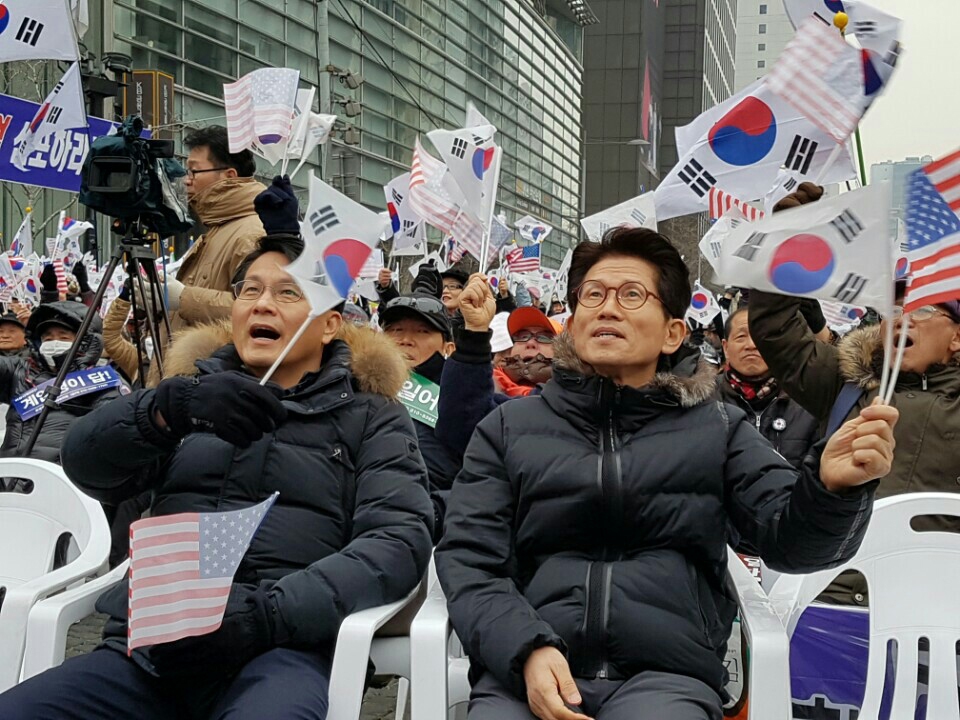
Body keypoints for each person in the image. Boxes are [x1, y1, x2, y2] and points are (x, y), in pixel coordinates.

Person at [435, 227, 898, 720]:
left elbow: (792, 543)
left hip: (667, 678)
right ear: (572, 320)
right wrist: (525, 648)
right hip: (526, 670)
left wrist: (832, 490)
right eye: (593, 294)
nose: (608, 308)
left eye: (632, 294)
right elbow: (469, 558)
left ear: (673, 332)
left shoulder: (719, 428)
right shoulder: (507, 428)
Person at [0, 234, 433, 719]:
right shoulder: (188, 396)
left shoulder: (373, 417)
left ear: (330, 324)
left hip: (281, 652)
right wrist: (165, 412)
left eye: (288, 293)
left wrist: (263, 618)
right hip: (147, 653)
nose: (262, 304)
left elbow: (398, 542)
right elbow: (87, 466)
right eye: (250, 290)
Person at [749, 182, 960, 605]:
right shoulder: (845, 380)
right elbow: (775, 328)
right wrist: (788, 240)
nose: (903, 320)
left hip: (937, 615)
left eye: (920, 310)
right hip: (836, 599)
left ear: (956, 337)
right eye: (893, 309)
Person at [160, 125, 266, 333]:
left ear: (228, 175)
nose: (187, 180)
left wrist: (183, 298)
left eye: (194, 171)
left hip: (209, 363)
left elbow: (258, 308)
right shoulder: (219, 227)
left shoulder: (251, 233)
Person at [379, 289, 460, 539]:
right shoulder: (352, 388)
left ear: (448, 347)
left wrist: (432, 512)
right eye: (396, 330)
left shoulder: (463, 401)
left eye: (422, 332)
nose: (406, 340)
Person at [0, 301, 124, 463]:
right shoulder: (20, 369)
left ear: (84, 342)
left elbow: (112, 430)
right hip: (11, 475)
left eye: (63, 337)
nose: (54, 342)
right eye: (48, 337)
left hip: (62, 477)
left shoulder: (100, 380)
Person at [718, 308, 819, 469]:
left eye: (759, 335)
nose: (750, 345)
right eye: (741, 337)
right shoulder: (704, 401)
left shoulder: (809, 402)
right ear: (725, 348)